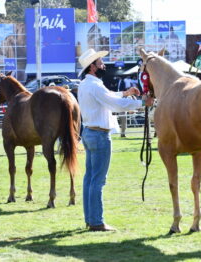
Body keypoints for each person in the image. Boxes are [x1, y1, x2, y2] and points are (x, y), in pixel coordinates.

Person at [77, 48, 153, 232]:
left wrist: (125, 94)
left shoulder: (87, 84)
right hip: (99, 135)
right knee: (98, 180)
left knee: (90, 179)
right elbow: (114, 104)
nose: (103, 65)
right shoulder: (95, 85)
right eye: (100, 62)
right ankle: (96, 221)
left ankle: (91, 219)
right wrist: (142, 102)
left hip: (89, 132)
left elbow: (109, 98)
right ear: (92, 68)